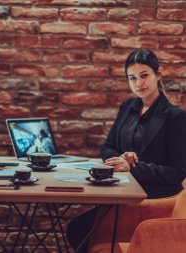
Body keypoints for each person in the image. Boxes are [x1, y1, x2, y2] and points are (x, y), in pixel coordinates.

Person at [66, 48, 186, 253]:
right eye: (132, 78)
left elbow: (177, 172)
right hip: (119, 190)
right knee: (78, 229)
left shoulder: (175, 117)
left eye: (144, 75)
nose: (138, 83)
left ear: (159, 74)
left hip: (152, 197)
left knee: (79, 229)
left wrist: (132, 167)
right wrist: (120, 158)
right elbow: (108, 147)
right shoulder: (128, 107)